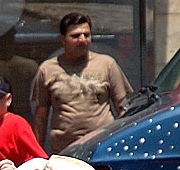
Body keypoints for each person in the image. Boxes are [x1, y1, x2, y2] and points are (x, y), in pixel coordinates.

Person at [30, 12, 133, 154]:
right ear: (63, 39)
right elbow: (40, 117)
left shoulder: (107, 64)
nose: (82, 40)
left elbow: (123, 108)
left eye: (87, 35)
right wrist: (37, 155)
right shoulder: (47, 69)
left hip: (101, 149)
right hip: (65, 152)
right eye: (75, 36)